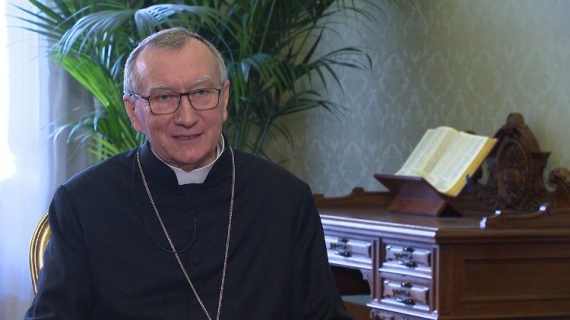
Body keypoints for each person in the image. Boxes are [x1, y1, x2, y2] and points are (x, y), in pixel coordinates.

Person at [25, 27, 351, 319]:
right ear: (133, 112)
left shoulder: (285, 199)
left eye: (201, 93)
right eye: (164, 97)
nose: (187, 117)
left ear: (224, 99)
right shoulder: (84, 202)